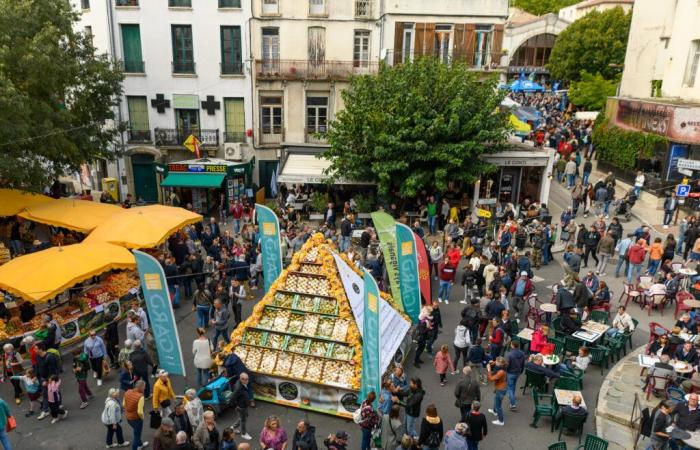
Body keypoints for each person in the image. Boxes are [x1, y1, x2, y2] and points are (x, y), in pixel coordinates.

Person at [124, 380, 147, 450]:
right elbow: (140, 411)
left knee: (137, 432)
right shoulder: (141, 397)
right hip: (136, 419)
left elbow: (124, 404)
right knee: (136, 436)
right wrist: (142, 417)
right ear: (141, 387)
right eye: (144, 387)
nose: (145, 388)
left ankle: (140, 444)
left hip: (128, 417)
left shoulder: (127, 392)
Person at [505, 340, 525, 411]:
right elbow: (523, 364)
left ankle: (513, 404)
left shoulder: (509, 354)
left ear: (512, 345)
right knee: (513, 385)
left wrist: (505, 372)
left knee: (510, 388)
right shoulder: (522, 353)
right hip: (518, 373)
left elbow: (507, 365)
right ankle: (512, 397)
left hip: (511, 373)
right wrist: (521, 371)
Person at [486, 357, 507, 426]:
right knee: (496, 399)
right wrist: (492, 362)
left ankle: (501, 421)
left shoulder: (501, 372)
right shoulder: (502, 365)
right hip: (500, 387)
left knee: (499, 406)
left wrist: (489, 370)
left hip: (501, 389)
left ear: (500, 364)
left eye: (497, 362)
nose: (495, 363)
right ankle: (494, 411)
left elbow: (491, 379)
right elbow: (495, 362)